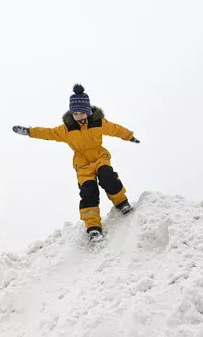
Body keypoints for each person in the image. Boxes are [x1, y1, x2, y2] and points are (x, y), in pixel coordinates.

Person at [12, 84, 140, 242]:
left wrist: (129, 136)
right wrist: (28, 131)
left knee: (107, 176)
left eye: (81, 113)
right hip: (83, 166)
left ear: (87, 111)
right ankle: (93, 227)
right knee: (88, 192)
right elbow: (48, 133)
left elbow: (116, 129)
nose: (78, 116)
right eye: (75, 113)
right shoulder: (66, 129)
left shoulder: (98, 122)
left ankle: (122, 203)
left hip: (100, 158)